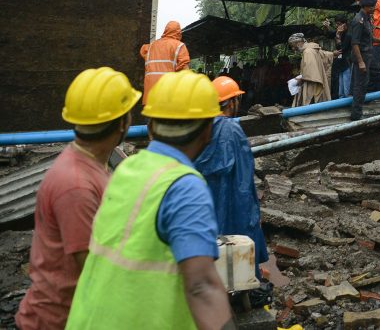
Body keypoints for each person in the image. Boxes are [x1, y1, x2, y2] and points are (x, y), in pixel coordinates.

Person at [66, 71, 233, 329]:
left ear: (151, 126)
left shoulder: (127, 169)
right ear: (207, 131)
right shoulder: (185, 187)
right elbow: (201, 286)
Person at [16, 68, 139, 330]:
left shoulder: (91, 166)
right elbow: (95, 269)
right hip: (57, 321)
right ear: (121, 122)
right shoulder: (76, 185)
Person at [193, 77, 271, 305]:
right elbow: (244, 176)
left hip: (209, 202)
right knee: (240, 242)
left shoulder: (201, 128)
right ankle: (242, 292)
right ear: (231, 102)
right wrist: (254, 212)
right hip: (235, 200)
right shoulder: (233, 130)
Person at [140, 20, 191, 104]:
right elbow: (185, 71)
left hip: (150, 93)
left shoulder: (151, 46)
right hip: (167, 93)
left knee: (150, 116)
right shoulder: (179, 46)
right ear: (178, 32)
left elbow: (143, 51)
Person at [354, 0, 380, 92]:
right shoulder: (363, 15)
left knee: (375, 67)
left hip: (379, 41)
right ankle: (371, 93)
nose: (358, 3)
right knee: (370, 68)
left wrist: (376, 17)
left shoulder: (375, 2)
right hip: (371, 41)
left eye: (358, 0)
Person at [348, 0, 376, 121]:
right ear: (366, 7)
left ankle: (356, 110)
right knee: (360, 85)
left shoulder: (367, 19)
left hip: (367, 55)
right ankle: (356, 115)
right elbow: (355, 43)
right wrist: (360, 62)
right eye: (372, 6)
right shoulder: (358, 20)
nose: (374, 8)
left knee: (361, 84)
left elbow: (368, 38)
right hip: (362, 57)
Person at [288, 33, 332, 106]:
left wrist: (300, 79)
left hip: (312, 83)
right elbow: (325, 55)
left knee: (312, 103)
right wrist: (333, 53)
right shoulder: (312, 49)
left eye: (293, 46)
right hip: (313, 80)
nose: (293, 48)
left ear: (298, 43)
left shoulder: (308, 52)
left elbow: (311, 72)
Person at [331, 18, 352, 99]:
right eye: (336, 24)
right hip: (340, 62)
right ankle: (341, 100)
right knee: (340, 88)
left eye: (339, 24)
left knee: (346, 87)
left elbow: (341, 49)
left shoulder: (348, 35)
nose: (337, 26)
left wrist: (338, 37)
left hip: (347, 62)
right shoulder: (340, 33)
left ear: (345, 24)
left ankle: (347, 102)